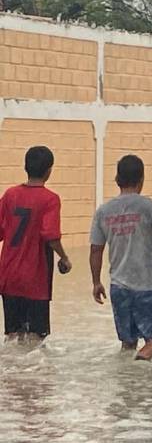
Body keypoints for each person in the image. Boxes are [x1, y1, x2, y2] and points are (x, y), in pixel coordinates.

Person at [89, 155, 152, 361]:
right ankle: (142, 363)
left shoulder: (103, 212)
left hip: (119, 288)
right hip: (148, 287)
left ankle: (128, 379)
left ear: (117, 179)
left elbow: (95, 250)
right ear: (141, 179)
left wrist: (96, 282)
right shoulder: (150, 207)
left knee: (128, 343)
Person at [0, 146, 72, 343]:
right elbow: (50, 235)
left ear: (26, 167)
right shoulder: (50, 199)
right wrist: (64, 258)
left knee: (12, 336)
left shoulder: (10, 195)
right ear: (49, 171)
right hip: (35, 279)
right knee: (36, 339)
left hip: (8, 276)